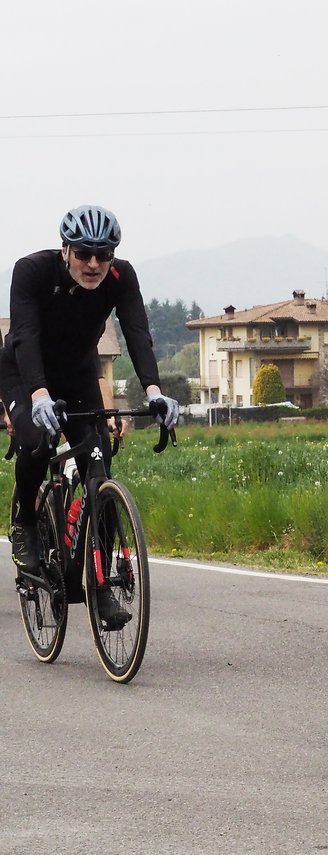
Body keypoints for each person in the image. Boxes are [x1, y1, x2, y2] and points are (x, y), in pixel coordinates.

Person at [4, 205, 179, 630]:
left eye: (104, 254)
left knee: (98, 469)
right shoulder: (32, 271)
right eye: (84, 253)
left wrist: (154, 391)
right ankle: (25, 522)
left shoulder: (121, 277)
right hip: (23, 373)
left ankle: (99, 590)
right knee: (38, 441)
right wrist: (39, 394)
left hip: (79, 373)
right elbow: (24, 335)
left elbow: (136, 330)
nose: (94, 264)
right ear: (66, 250)